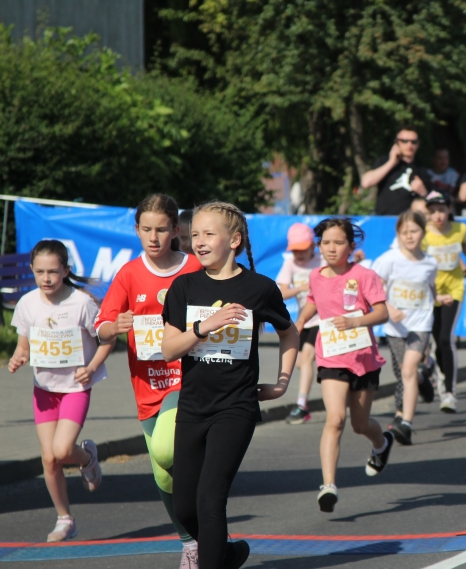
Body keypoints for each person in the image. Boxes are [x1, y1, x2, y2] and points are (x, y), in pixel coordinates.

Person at [161, 202, 299, 569]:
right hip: (192, 405)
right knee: (185, 507)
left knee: (210, 499)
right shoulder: (184, 286)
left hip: (235, 406)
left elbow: (290, 334)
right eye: (194, 235)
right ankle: (228, 553)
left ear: (234, 240)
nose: (199, 242)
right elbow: (168, 349)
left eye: (209, 234)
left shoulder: (259, 288)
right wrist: (205, 326)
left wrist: (283, 383)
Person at [95, 194, 202, 565]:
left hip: (186, 379)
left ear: (176, 230)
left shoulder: (194, 269)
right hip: (147, 384)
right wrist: (115, 325)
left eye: (161, 230)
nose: (154, 237)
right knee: (164, 477)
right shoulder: (128, 273)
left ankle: (207, 524)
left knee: (164, 450)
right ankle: (193, 543)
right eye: (146, 229)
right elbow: (102, 328)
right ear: (136, 230)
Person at [8, 241, 109, 542]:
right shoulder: (27, 303)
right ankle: (65, 519)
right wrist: (18, 356)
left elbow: (107, 340)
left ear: (66, 270)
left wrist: (91, 368)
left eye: (53, 271)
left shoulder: (81, 303)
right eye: (40, 272)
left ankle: (87, 458)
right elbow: (24, 343)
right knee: (49, 459)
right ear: (32, 271)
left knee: (62, 450)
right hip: (44, 389)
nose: (47, 279)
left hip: (75, 387)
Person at [294, 218, 392, 513]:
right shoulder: (315, 276)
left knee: (360, 424)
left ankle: (381, 444)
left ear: (351, 246)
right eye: (325, 243)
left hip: (363, 358)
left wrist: (355, 322)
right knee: (335, 419)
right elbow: (313, 299)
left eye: (338, 243)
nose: (331, 248)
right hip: (331, 356)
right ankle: (328, 485)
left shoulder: (364, 275)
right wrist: (299, 321)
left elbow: (382, 312)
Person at [372, 212, 438, 444]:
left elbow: (430, 289)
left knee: (408, 369)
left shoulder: (430, 263)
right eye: (404, 232)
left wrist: (442, 297)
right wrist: (389, 308)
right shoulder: (389, 259)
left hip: (421, 323)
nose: (409, 236)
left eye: (414, 231)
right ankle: (422, 380)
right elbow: (374, 289)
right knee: (403, 373)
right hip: (395, 326)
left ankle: (406, 423)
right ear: (398, 235)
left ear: (423, 232)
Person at [422, 191, 466, 412]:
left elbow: (463, 245)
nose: (438, 215)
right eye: (433, 211)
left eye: (442, 210)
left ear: (449, 210)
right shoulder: (424, 235)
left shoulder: (459, 229)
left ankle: (449, 393)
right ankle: (435, 367)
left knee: (446, 339)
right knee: (435, 342)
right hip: (430, 292)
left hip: (454, 290)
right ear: (427, 213)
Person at [276, 223, 323, 425]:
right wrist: (303, 287)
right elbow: (282, 292)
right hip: (304, 319)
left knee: (308, 357)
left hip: (323, 318)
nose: (299, 254)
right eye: (295, 250)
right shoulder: (290, 265)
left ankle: (302, 405)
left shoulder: (322, 260)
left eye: (303, 249)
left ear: (313, 246)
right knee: (299, 362)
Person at [361, 127, 430, 215]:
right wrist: (392, 162)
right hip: (384, 219)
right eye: (404, 141)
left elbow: (431, 201)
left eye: (413, 142)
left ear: (418, 144)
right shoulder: (384, 161)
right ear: (396, 143)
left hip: (409, 222)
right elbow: (366, 183)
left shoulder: (421, 169)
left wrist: (423, 192)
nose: (409, 145)